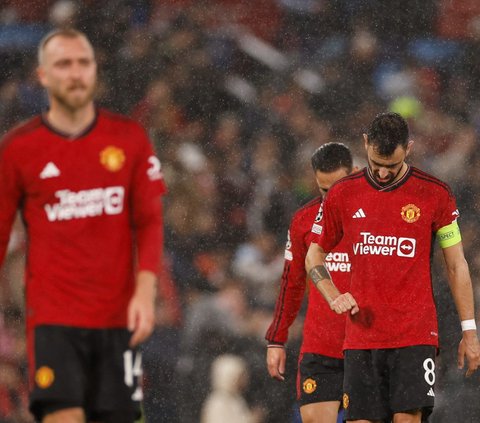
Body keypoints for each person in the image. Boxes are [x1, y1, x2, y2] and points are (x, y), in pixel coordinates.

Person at [0, 29, 166, 423]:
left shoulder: (129, 140)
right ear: (43, 75)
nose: (75, 73)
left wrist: (145, 292)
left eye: (83, 63)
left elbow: (149, 221)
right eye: (63, 64)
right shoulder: (19, 148)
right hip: (54, 321)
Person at [305, 112, 480, 423]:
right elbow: (314, 253)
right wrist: (332, 293)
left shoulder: (435, 194)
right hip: (361, 337)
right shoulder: (343, 193)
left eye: (392, 166)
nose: (383, 174)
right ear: (365, 144)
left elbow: (456, 265)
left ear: (408, 149)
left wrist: (470, 331)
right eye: (376, 164)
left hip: (413, 335)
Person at [265, 142, 356, 423]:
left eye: (339, 188)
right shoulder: (304, 221)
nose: (332, 199)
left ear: (354, 174)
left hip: (366, 347)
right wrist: (276, 339)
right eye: (324, 190)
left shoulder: (376, 218)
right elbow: (291, 284)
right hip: (320, 348)